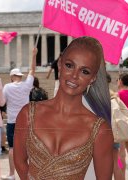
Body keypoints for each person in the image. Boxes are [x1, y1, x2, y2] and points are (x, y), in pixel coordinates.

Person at [14, 37, 113, 179]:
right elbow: (20, 162)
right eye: (69, 65)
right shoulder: (27, 113)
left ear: (93, 78)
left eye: (84, 71)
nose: (74, 76)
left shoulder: (101, 129)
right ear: (60, 65)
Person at [2, 48, 37, 180]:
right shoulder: (27, 85)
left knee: (12, 148)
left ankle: (12, 174)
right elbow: (32, 70)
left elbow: (2, 102)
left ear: (11, 77)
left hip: (12, 121)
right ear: (21, 76)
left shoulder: (7, 87)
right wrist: (34, 55)